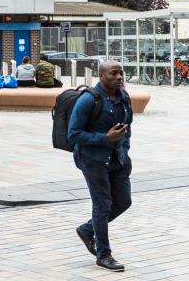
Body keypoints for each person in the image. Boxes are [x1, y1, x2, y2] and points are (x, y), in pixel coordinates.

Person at [68, 61, 133, 272]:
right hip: (93, 160)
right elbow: (73, 134)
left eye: (121, 73)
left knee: (123, 201)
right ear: (102, 76)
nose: (119, 77)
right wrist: (105, 138)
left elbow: (128, 127)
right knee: (103, 205)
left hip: (118, 159)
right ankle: (103, 255)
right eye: (114, 73)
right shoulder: (88, 100)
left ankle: (87, 229)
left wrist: (124, 148)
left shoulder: (124, 97)